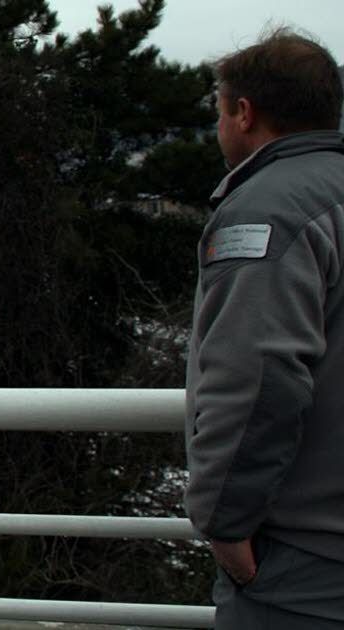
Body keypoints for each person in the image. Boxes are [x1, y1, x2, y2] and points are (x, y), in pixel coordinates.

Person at [185, 28, 344, 629]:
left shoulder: (268, 209)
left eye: (219, 109)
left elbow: (258, 378)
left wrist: (224, 526)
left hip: (304, 563)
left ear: (244, 113)